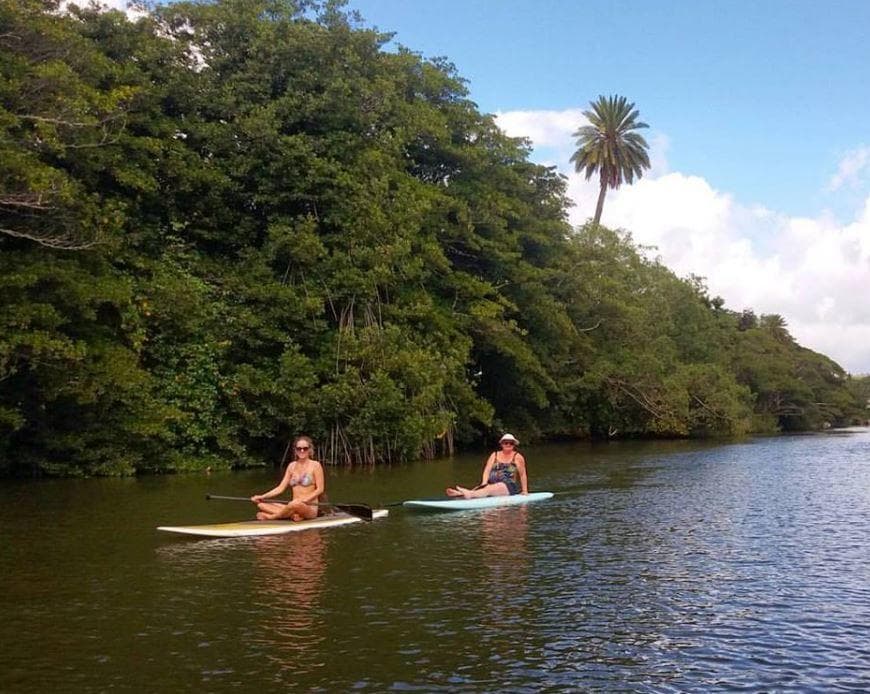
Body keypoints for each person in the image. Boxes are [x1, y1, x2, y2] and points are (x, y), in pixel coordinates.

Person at [251, 436, 325, 521]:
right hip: (293, 505)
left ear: (309, 450)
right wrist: (262, 496)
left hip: (309, 507)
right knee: (261, 504)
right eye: (299, 448)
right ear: (295, 450)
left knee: (295, 504)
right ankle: (293, 515)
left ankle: (272, 517)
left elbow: (320, 489)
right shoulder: (291, 466)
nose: (302, 451)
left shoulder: (316, 465)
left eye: (305, 448)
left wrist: (304, 500)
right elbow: (280, 488)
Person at [446, 433, 528, 498]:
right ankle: (460, 494)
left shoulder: (518, 457)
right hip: (491, 483)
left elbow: (523, 474)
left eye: (511, 443)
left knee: (488, 489)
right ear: (502, 444)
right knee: (483, 489)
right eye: (506, 443)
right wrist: (484, 482)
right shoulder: (494, 455)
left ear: (514, 445)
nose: (508, 445)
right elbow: (487, 470)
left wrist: (525, 491)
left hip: (508, 486)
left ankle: (468, 494)